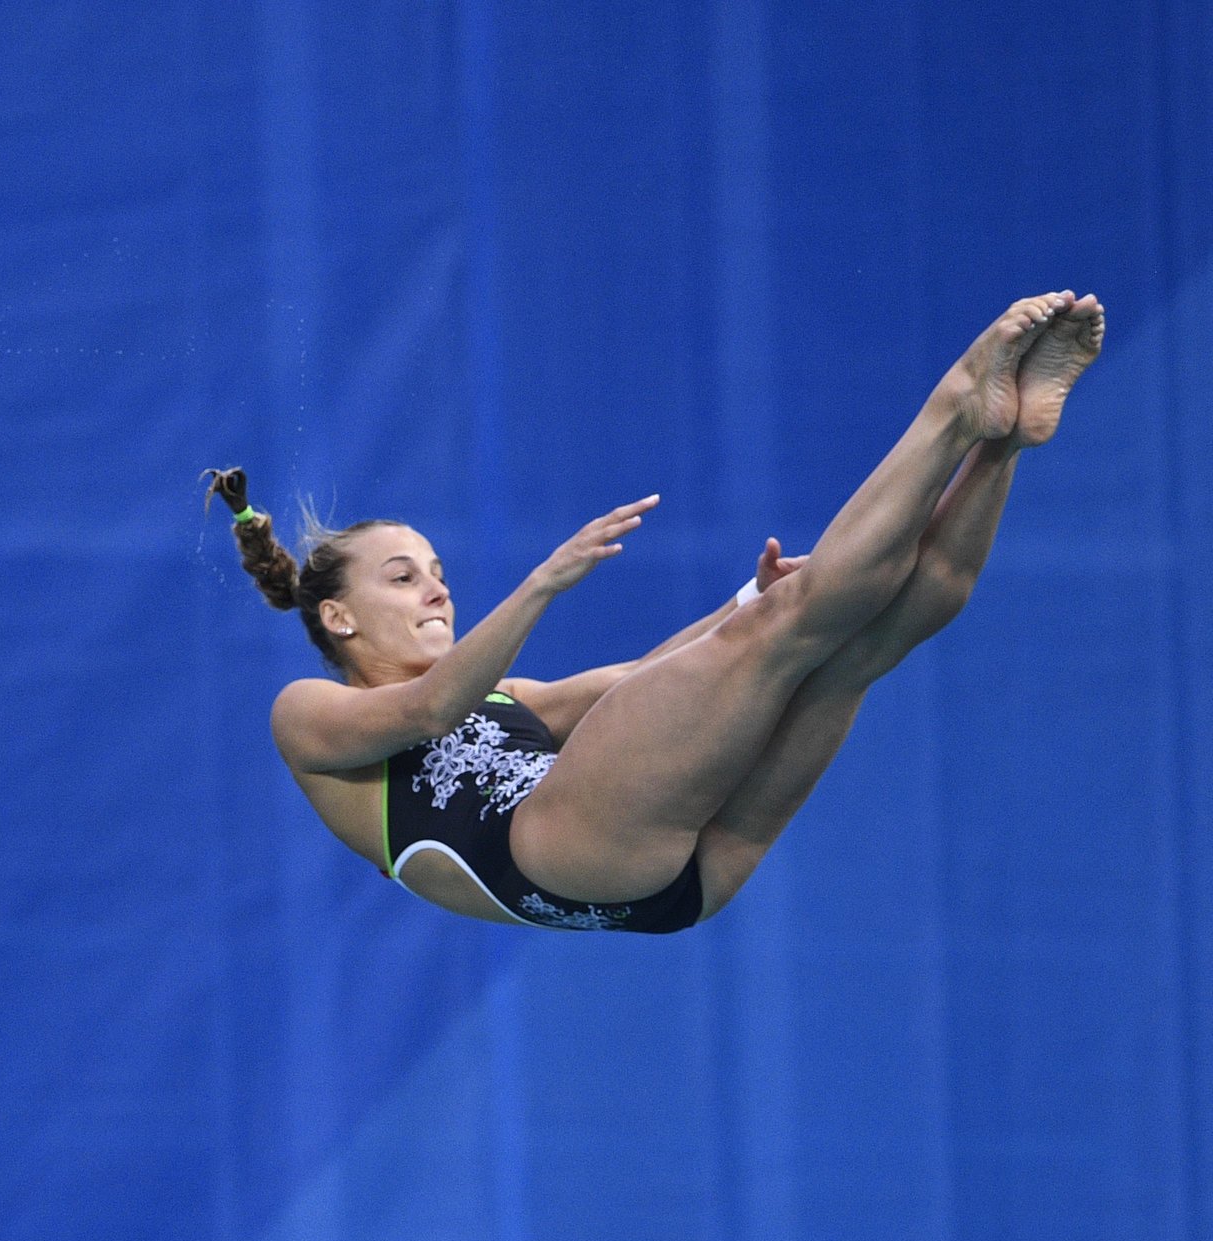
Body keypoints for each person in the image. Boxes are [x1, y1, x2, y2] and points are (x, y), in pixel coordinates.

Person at [217, 290, 1103, 931]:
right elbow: (426, 709)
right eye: (404, 578)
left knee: (867, 641)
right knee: (796, 628)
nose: (438, 588)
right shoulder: (308, 716)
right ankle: (956, 401)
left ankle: (1002, 440)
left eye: (438, 569)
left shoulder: (507, 698)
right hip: (565, 854)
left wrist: (746, 599)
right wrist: (543, 583)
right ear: (337, 618)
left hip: (673, 883)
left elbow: (641, 682)